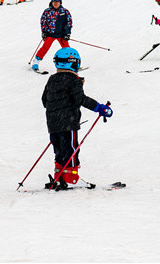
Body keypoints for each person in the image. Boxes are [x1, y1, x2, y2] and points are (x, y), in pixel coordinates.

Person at [41, 47, 113, 190]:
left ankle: (59, 177)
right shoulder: (73, 79)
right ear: (74, 63)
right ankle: (71, 178)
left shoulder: (52, 79)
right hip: (68, 122)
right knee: (71, 149)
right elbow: (80, 99)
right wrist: (99, 108)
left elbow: (44, 101)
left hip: (53, 123)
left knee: (59, 150)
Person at [31, 0, 72, 71]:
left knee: (67, 49)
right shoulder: (47, 11)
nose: (55, 3)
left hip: (61, 35)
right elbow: (43, 22)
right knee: (45, 48)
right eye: (54, 2)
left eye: (57, 2)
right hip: (51, 34)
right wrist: (44, 32)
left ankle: (72, 64)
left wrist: (67, 33)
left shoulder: (64, 11)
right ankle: (36, 62)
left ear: (60, 2)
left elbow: (69, 22)